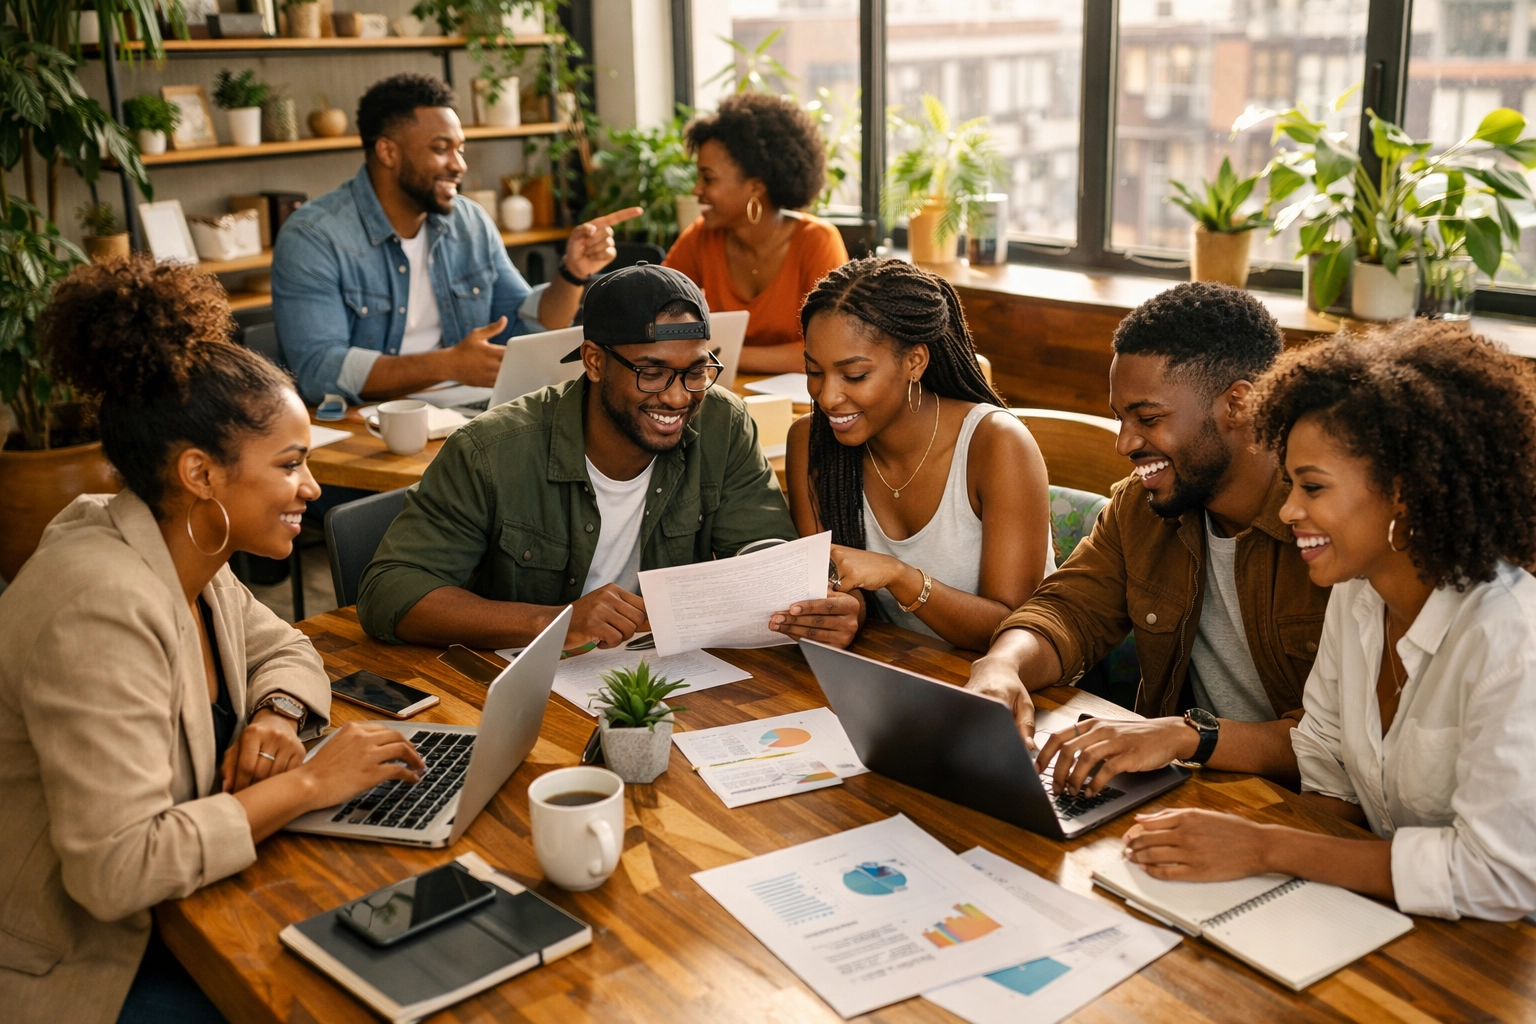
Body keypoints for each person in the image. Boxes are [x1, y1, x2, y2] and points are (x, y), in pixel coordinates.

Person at [0, 259, 427, 1023]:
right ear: (199, 472)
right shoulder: (99, 606)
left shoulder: (185, 550)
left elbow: (288, 649)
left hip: (185, 909)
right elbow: (116, 870)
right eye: (291, 465)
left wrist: (275, 716)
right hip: (92, 961)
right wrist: (306, 785)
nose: (313, 488)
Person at [1121, 324, 1536, 922]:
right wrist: (1253, 884)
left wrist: (1266, 846)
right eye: (1290, 483)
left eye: (1312, 487)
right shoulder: (1359, 594)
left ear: (1405, 493)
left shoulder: (1509, 638)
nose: (1289, 510)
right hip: (1386, 921)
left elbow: (1499, 878)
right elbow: (1327, 764)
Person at [358, 264, 862, 652]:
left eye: (694, 370)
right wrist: (553, 622)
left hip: (665, 676)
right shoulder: (490, 451)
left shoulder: (722, 424)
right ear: (595, 361)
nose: (678, 396)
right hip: (525, 687)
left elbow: (760, 546)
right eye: (651, 371)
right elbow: (389, 591)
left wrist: (804, 598)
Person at [967, 282, 1331, 793]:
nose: (1125, 443)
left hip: (1302, 806)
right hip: (1189, 785)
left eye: (1149, 418)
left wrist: (1183, 736)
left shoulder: (1329, 528)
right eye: (1121, 418)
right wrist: (1002, 666)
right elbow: (1068, 610)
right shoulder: (1140, 508)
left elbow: (1337, 746)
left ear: (1239, 404)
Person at [272, 73, 642, 405]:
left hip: (463, 411)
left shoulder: (469, 222)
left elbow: (524, 326)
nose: (459, 165)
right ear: (387, 152)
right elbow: (318, 370)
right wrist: (448, 365)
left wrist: (572, 272)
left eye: (460, 149)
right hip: (367, 424)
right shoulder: (314, 236)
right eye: (440, 149)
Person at [785, 258, 1054, 652]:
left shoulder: (997, 445)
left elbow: (1012, 627)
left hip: (1020, 688)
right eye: (814, 372)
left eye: (855, 376)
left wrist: (899, 575)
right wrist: (842, 613)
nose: (827, 397)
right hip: (905, 671)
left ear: (915, 362)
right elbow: (839, 591)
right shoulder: (809, 443)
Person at [664, 92, 850, 374]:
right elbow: (654, 314)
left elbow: (830, 351)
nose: (696, 189)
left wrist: (711, 354)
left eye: (708, 178)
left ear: (755, 187)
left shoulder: (816, 241)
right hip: (718, 394)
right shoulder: (701, 238)